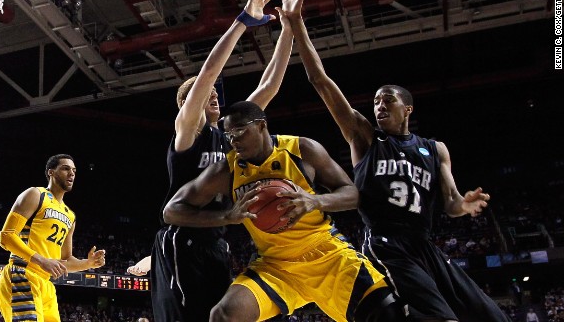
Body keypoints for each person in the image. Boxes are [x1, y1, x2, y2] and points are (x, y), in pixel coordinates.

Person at [284, 0, 512, 322]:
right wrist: (297, 23)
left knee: (493, 316)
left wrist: (464, 206)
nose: (378, 105)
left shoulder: (435, 149)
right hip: (386, 242)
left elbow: (449, 203)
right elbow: (321, 81)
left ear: (407, 109)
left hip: (424, 245)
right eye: (375, 101)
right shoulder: (364, 136)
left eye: (386, 100)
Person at [128, 0, 296, 322]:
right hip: (182, 238)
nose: (215, 96)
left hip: (217, 241)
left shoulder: (232, 136)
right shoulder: (188, 133)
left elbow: (270, 85)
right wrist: (243, 22)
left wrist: (290, 26)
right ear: (188, 106)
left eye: (217, 95)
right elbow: (207, 74)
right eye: (206, 96)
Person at [164, 100, 406, 322]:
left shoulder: (302, 149)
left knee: (388, 312)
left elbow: (352, 194)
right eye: (228, 135)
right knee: (224, 315)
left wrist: (314, 201)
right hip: (275, 265)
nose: (233, 140)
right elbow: (171, 211)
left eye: (239, 131)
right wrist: (226, 217)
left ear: (261, 125)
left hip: (329, 255)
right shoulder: (226, 170)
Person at [0, 154, 106, 322]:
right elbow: (6, 237)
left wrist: (88, 263)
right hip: (23, 274)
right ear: (51, 172)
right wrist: (41, 261)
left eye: (74, 170)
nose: (71, 174)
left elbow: (65, 260)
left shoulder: (70, 216)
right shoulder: (35, 195)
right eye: (65, 168)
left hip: (46, 284)